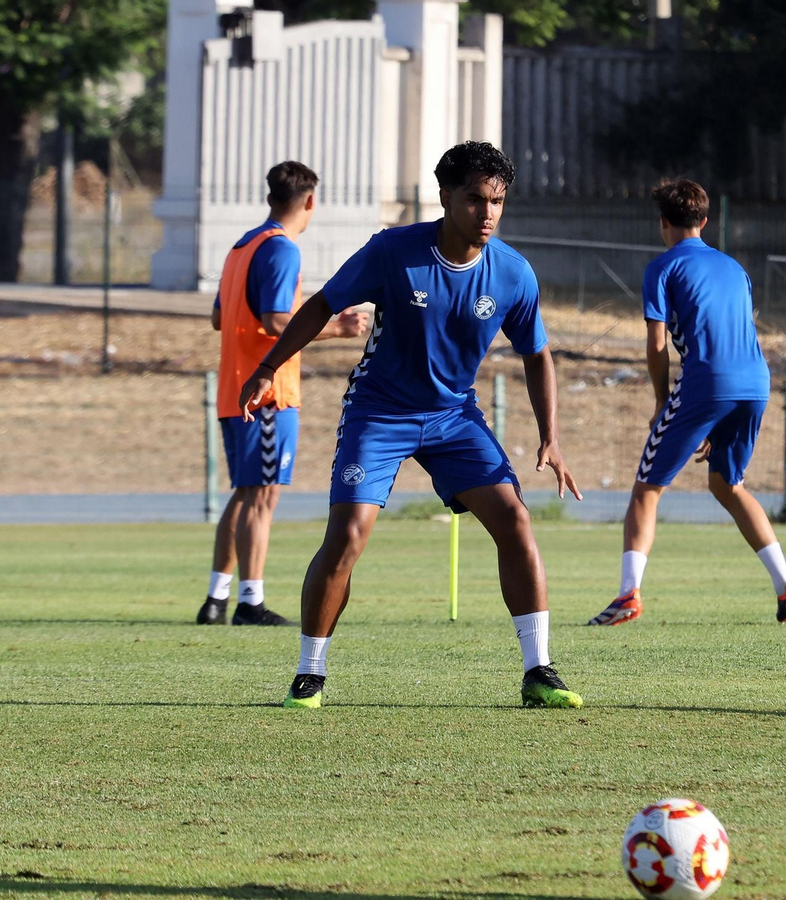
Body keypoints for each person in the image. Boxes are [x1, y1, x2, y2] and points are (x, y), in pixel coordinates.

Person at [238, 141, 585, 710]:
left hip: (454, 417)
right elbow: (323, 305)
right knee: (348, 535)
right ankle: (309, 673)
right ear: (445, 197)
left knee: (515, 520)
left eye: (497, 201)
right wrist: (268, 368)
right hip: (379, 411)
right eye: (475, 199)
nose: (488, 213)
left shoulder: (513, 273)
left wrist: (551, 436)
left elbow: (536, 353)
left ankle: (539, 670)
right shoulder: (393, 252)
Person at [586, 178, 786, 627]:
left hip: (706, 383)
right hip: (755, 383)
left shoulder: (662, 268)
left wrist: (662, 400)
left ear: (662, 222)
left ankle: (628, 595)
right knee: (727, 485)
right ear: (704, 221)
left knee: (647, 488)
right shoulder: (735, 269)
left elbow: (656, 345)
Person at [198, 161, 367, 627]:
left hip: (233, 387)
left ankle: (216, 598)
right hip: (268, 393)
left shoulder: (242, 246)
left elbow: (220, 318)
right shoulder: (282, 249)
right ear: (310, 201)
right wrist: (337, 329)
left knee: (245, 493)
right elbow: (275, 320)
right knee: (262, 497)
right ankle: (250, 603)